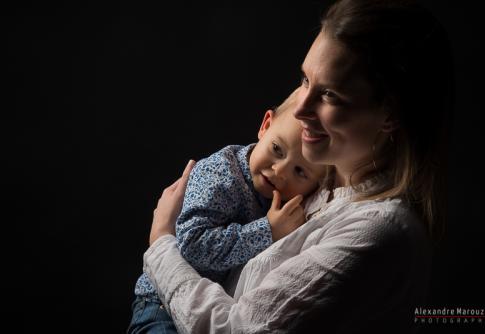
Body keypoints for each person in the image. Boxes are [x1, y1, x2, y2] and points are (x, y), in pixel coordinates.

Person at [142, 0, 454, 332]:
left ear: (390, 115)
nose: (301, 108)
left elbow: (232, 329)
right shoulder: (316, 184)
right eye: (305, 80)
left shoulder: (378, 232)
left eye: (330, 95)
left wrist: (162, 241)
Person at [128, 90, 326, 333]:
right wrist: (268, 230)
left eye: (300, 171)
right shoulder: (222, 174)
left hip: (205, 309)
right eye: (277, 149)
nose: (280, 170)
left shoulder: (281, 199)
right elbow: (193, 245)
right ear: (265, 125)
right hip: (161, 306)